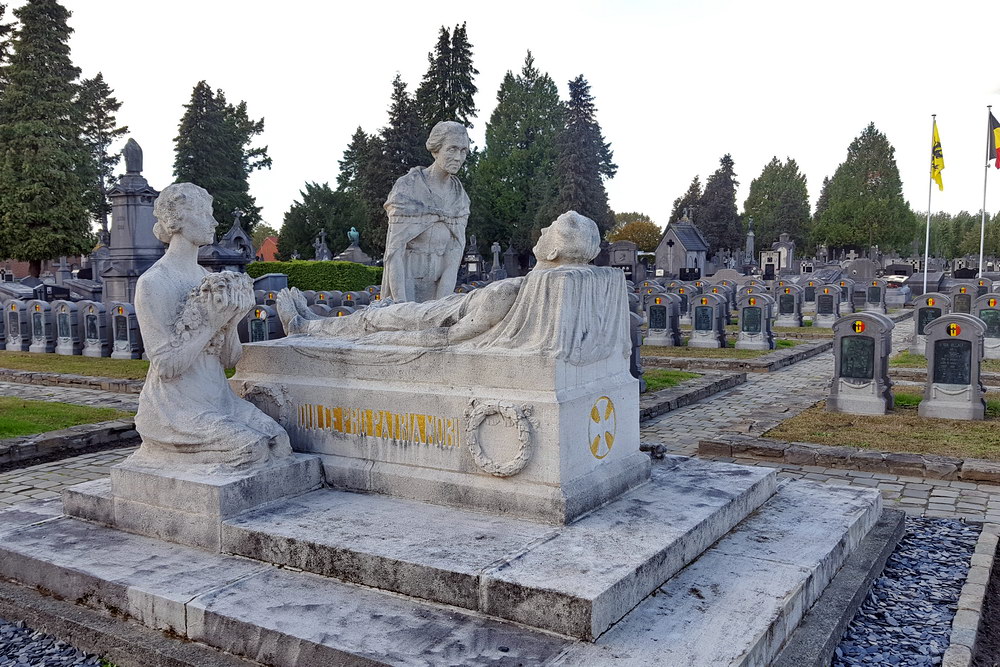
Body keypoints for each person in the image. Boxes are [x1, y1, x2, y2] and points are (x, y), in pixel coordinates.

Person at [128, 183, 291, 470]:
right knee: (251, 449)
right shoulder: (154, 283)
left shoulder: (208, 277)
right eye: (203, 213)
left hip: (219, 398)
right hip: (178, 407)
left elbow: (228, 361)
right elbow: (166, 367)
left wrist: (234, 319)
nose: (213, 221)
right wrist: (211, 322)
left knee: (279, 442)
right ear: (176, 220)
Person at [276, 210, 606, 352]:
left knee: (371, 320)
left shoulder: (507, 291)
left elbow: (449, 338)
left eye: (551, 228)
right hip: (444, 308)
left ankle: (303, 327)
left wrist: (388, 338)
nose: (544, 231)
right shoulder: (567, 285)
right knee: (376, 317)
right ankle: (309, 325)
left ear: (554, 249)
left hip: (433, 317)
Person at [380, 121, 470, 303]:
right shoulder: (407, 188)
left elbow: (452, 259)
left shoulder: (460, 199)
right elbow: (395, 253)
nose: (458, 157)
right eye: (452, 149)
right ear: (436, 150)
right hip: (406, 287)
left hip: (439, 289)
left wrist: (440, 306)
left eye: (463, 151)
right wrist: (401, 304)